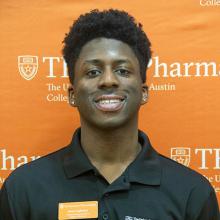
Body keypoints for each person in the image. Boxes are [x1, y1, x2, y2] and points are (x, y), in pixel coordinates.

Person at [0, 9, 219, 220]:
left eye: (122, 70)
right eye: (93, 72)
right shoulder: (23, 189)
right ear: (72, 94)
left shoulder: (192, 192)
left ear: (143, 93)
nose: (108, 80)